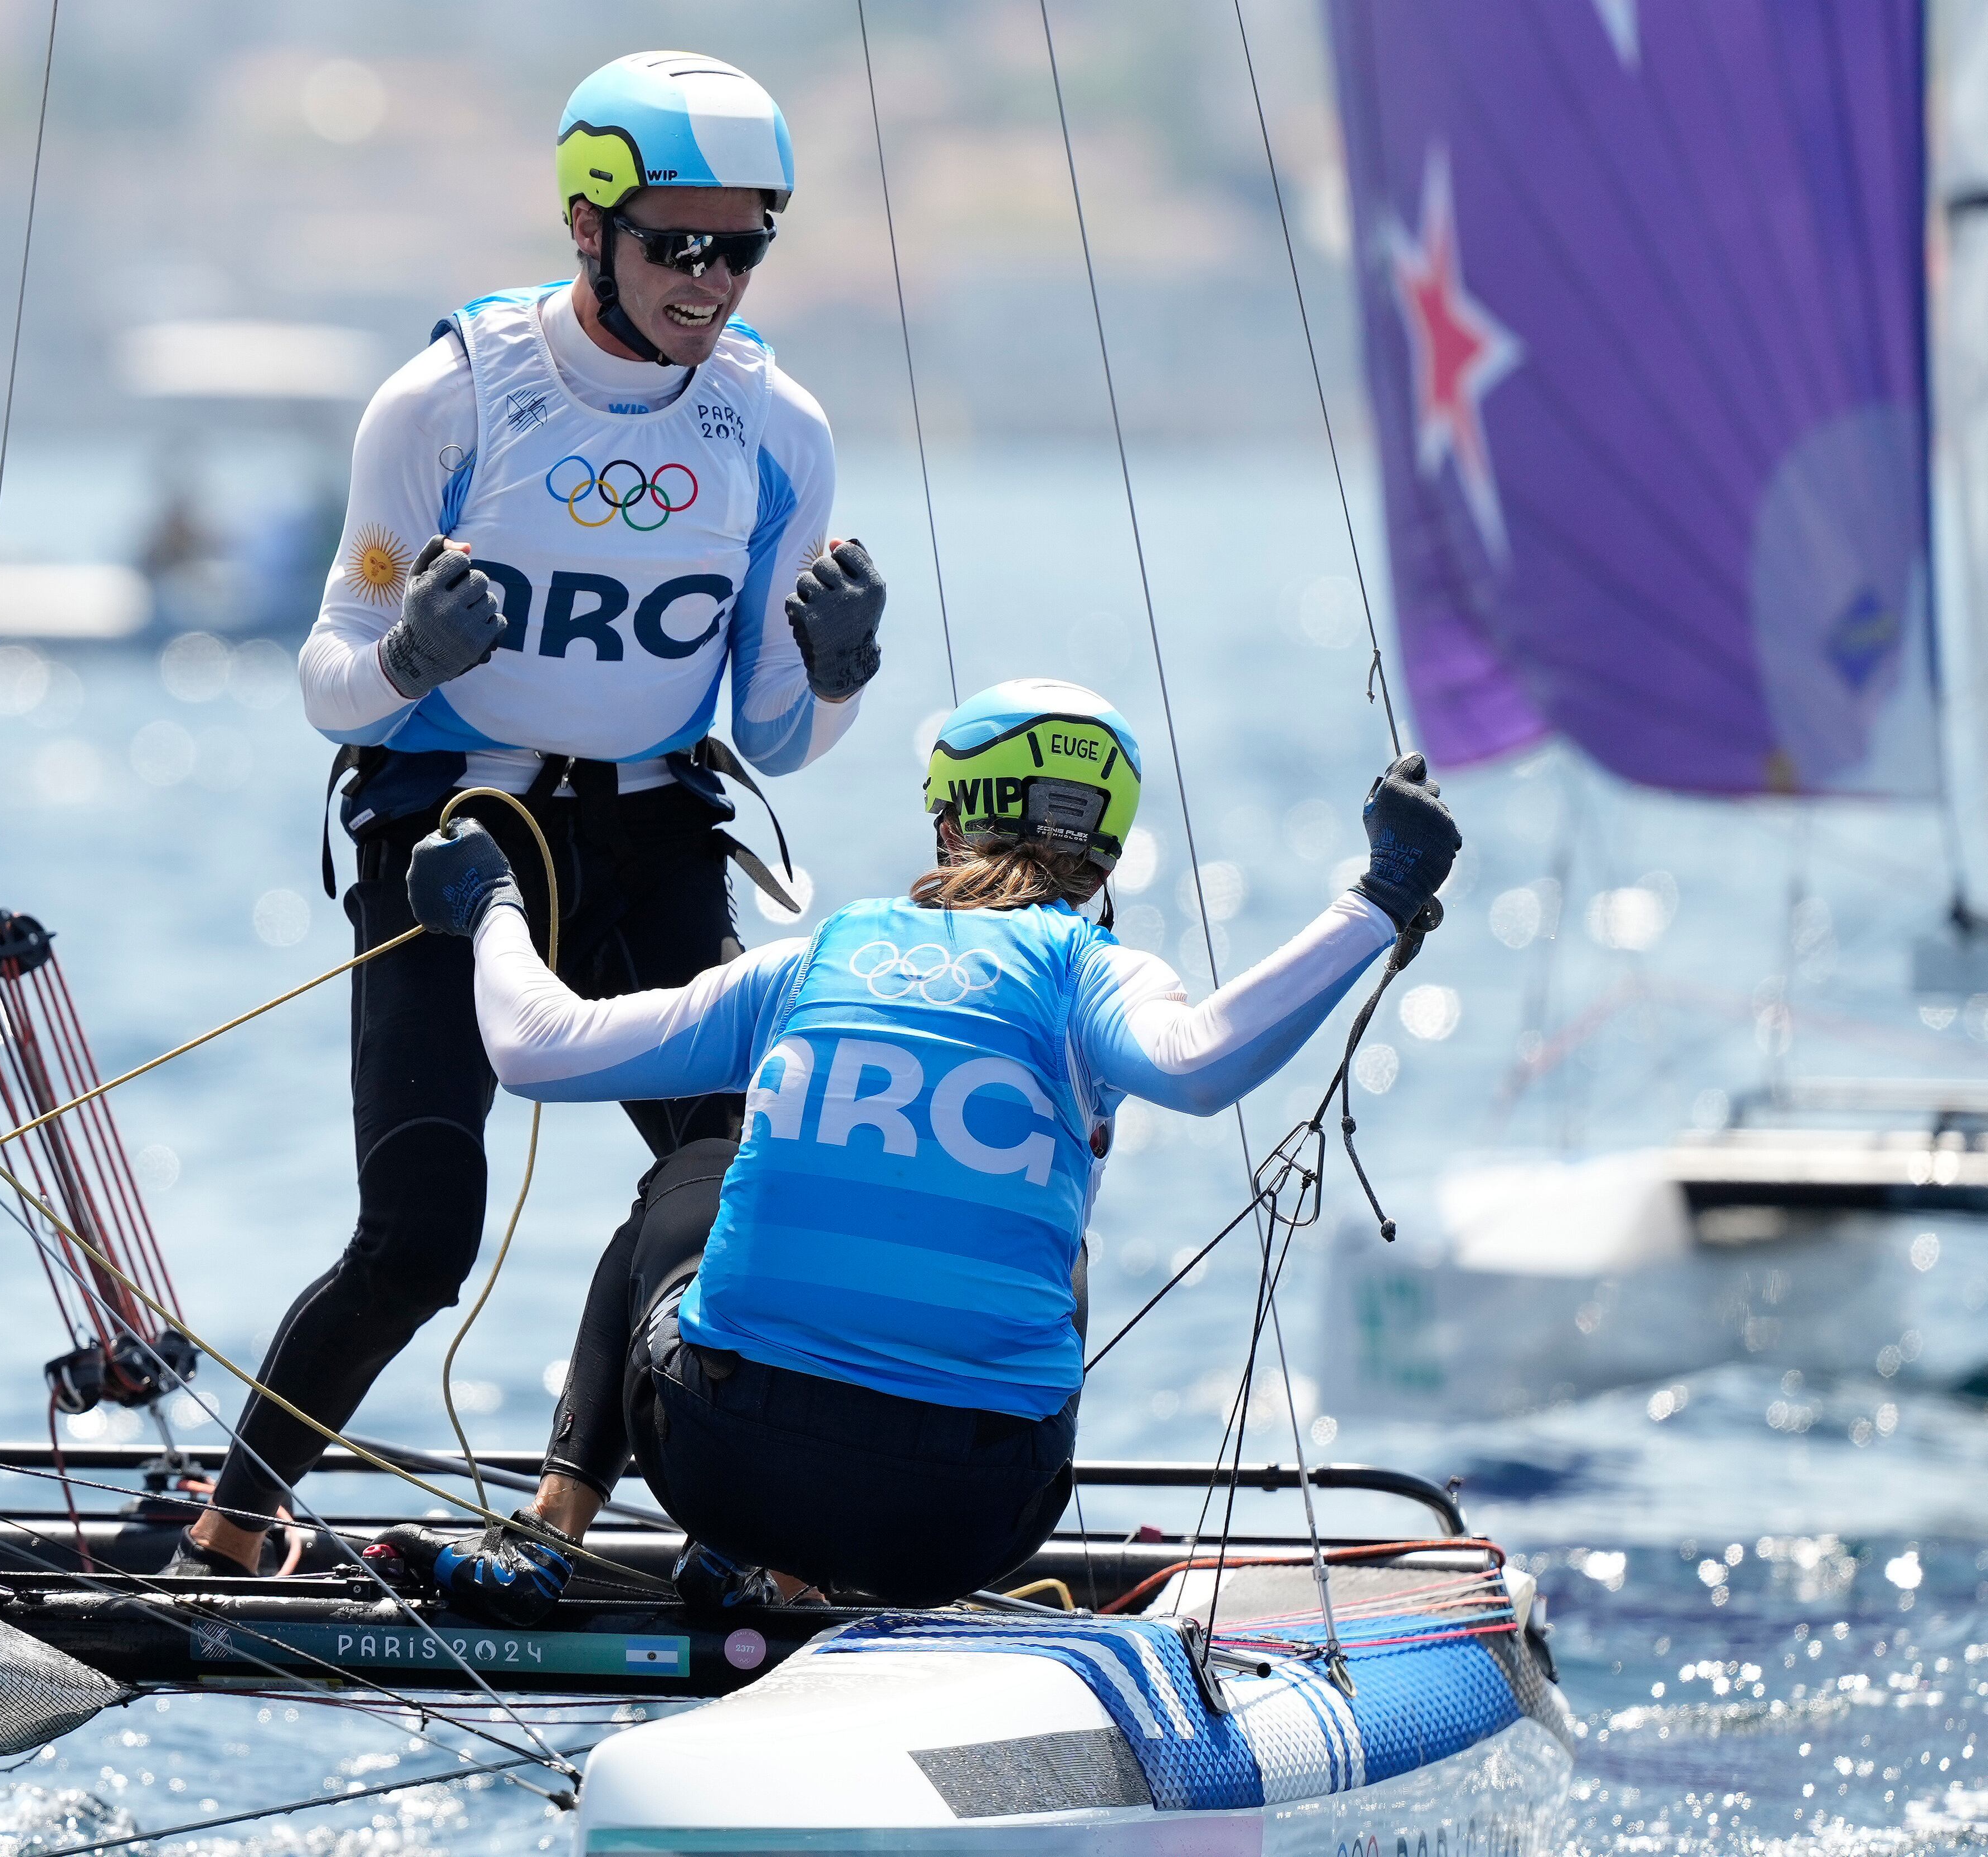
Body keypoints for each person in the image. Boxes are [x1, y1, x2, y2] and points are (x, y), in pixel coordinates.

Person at [173, 52, 887, 1577]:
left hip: (651, 836)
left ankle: (574, 1516)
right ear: (587, 223)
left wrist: (837, 675)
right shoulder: (449, 401)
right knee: (421, 1236)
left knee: (733, 1188)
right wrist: (408, 655)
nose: (711, 279)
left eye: (743, 242)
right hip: (453, 834)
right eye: (676, 241)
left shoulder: (780, 430)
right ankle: (232, 1521)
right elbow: (328, 679)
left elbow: (774, 731)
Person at [376, 679, 1463, 1620]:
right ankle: (789, 1576)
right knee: (1056, 1249)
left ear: (950, 821)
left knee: (688, 1177)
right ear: (1106, 847)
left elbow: (534, 1045)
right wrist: (1379, 898)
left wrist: (493, 905)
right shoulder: (1095, 975)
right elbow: (1197, 1063)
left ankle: (553, 1527)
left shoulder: (815, 961)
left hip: (723, 1471)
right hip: (967, 1527)